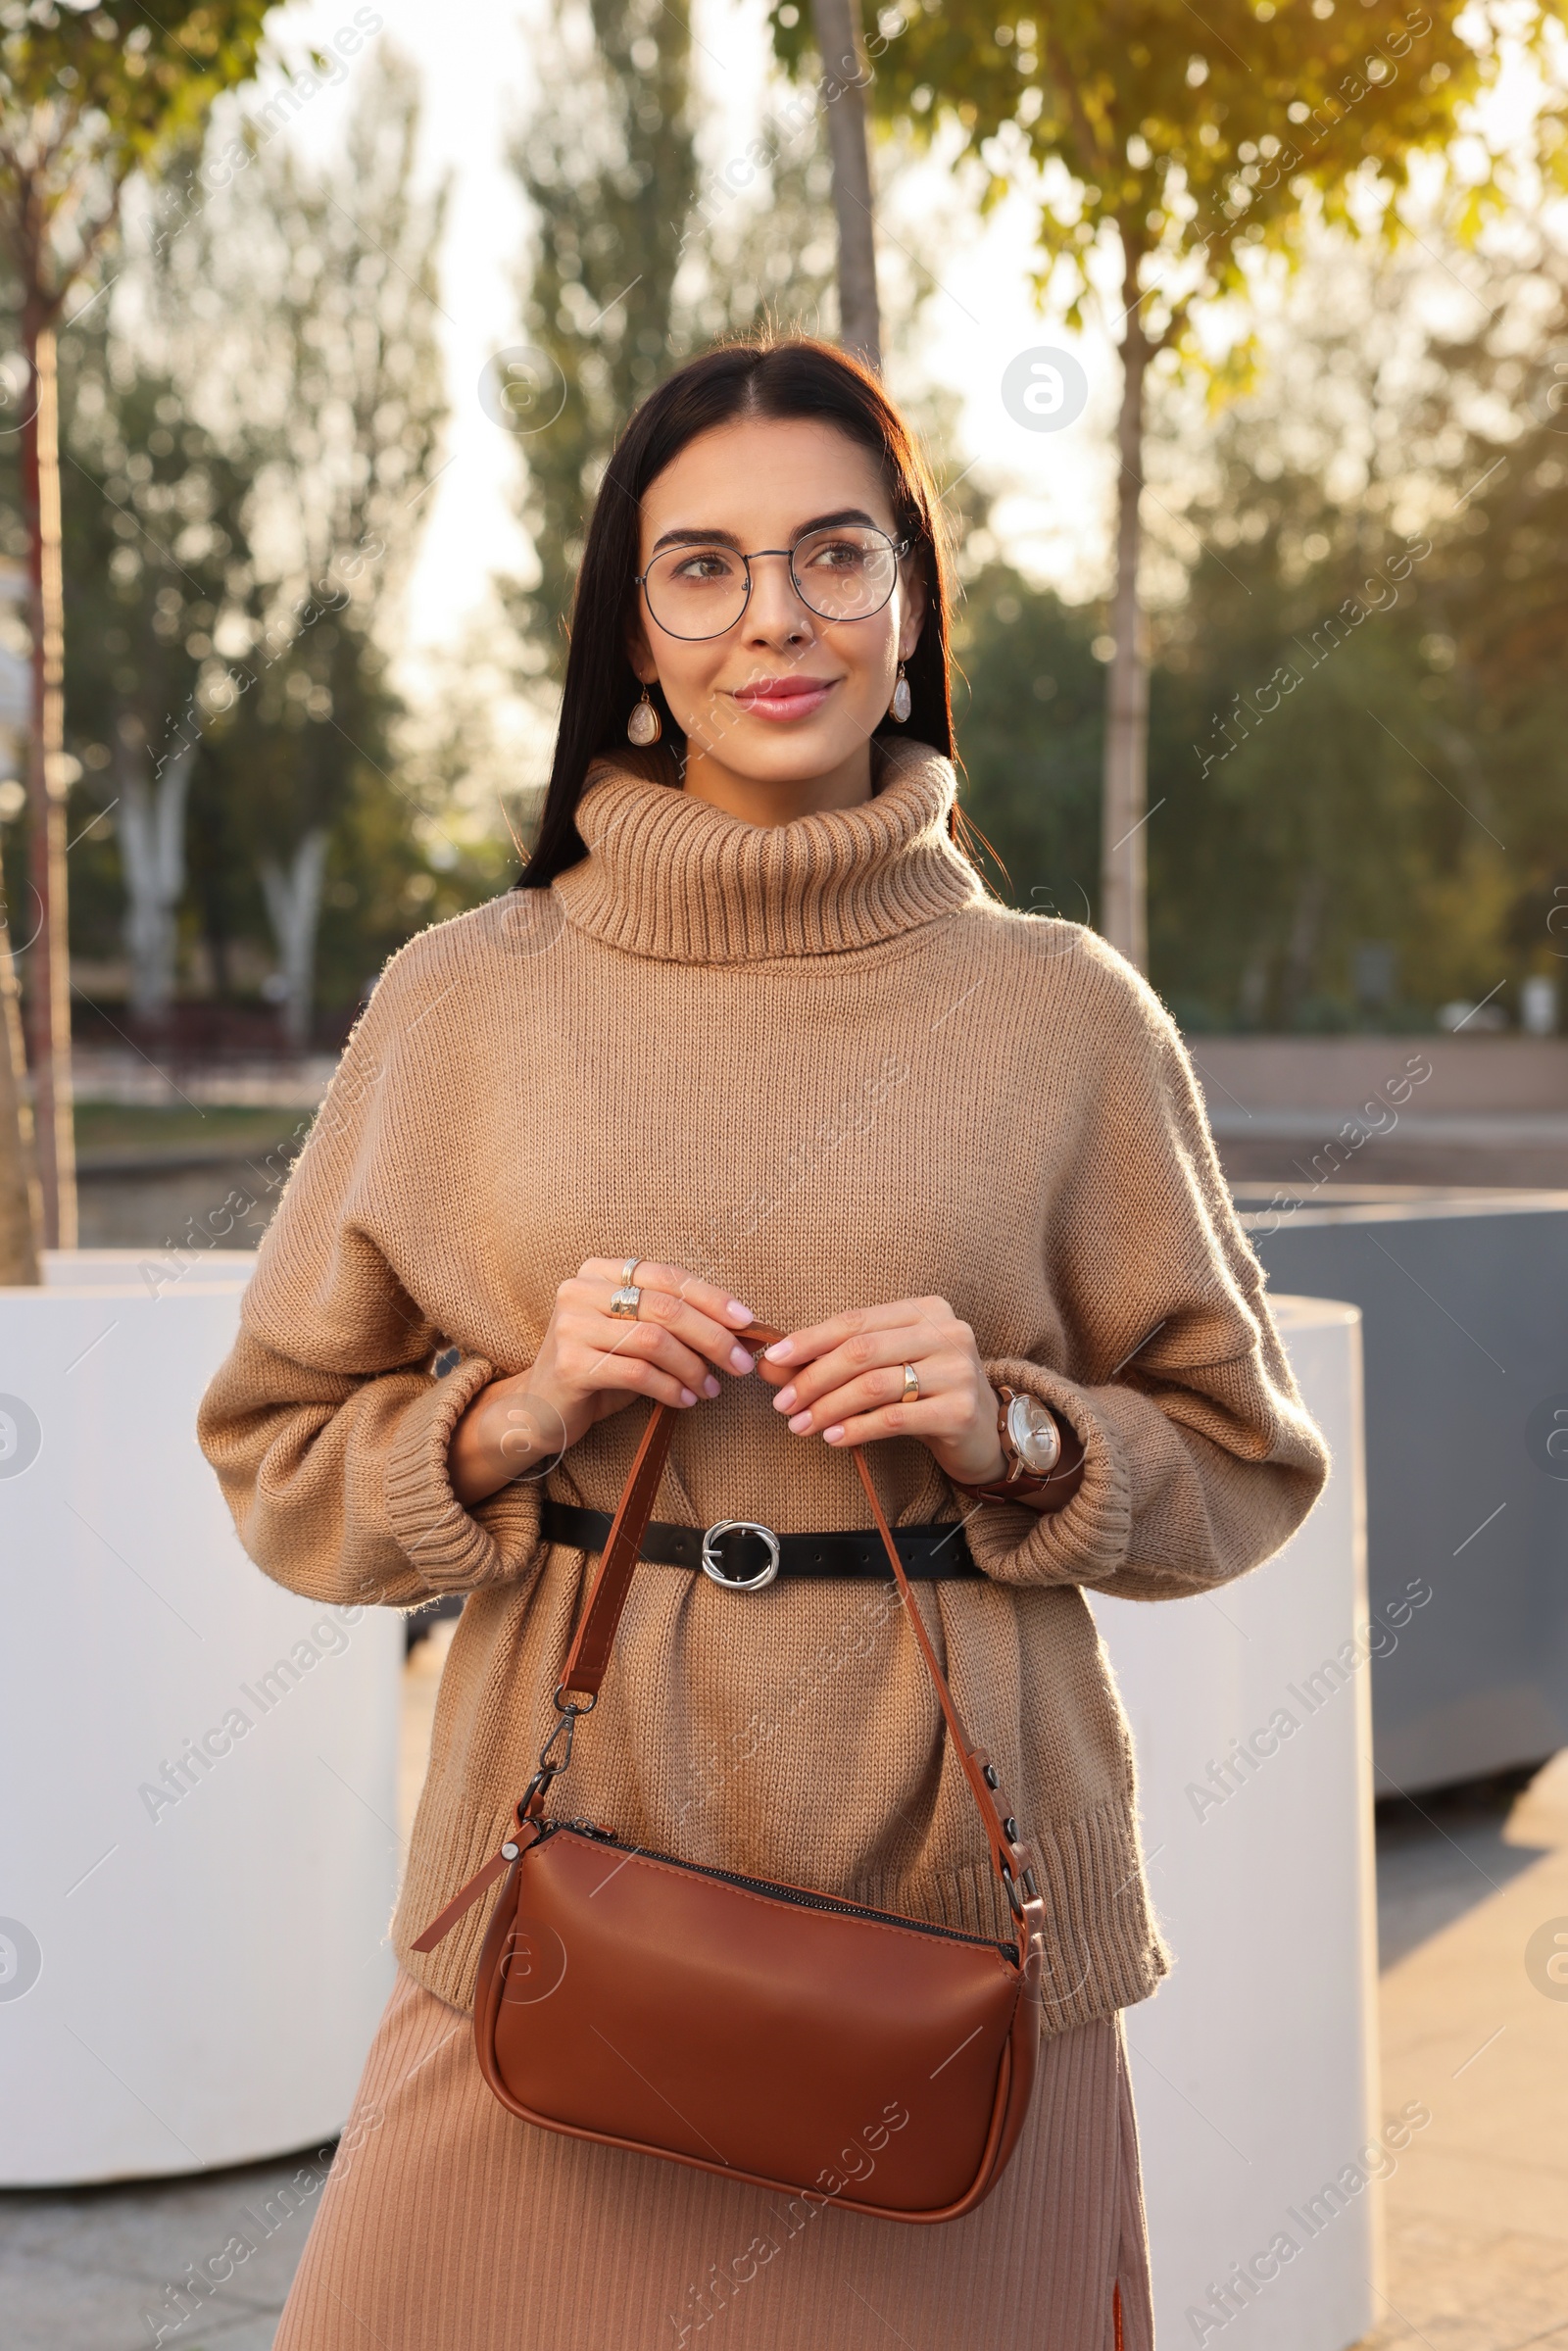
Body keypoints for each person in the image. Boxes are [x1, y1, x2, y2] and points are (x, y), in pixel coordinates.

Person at [198, 334, 1328, 2350]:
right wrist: (508, 1414)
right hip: (545, 1912)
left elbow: (1238, 1462)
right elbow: (276, 1450)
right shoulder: (462, 1002)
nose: (772, 619)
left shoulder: (1062, 1016)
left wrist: (1018, 1436)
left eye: (832, 555)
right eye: (700, 567)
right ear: (632, 630)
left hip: (959, 1941)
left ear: (906, 606)